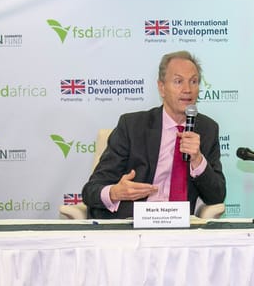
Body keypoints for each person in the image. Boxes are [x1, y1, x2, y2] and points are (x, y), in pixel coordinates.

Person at [82, 50, 226, 219]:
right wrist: (115, 192)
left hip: (178, 224)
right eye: (178, 81)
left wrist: (198, 160)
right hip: (132, 221)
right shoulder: (132, 126)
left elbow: (217, 196)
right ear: (161, 87)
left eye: (193, 81)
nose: (187, 89)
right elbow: (91, 190)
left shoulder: (207, 129)